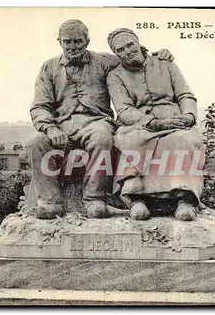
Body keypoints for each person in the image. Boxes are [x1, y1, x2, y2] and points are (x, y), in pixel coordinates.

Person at [26, 20, 174, 220]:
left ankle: (94, 199)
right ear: (59, 41)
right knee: (36, 142)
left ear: (87, 41)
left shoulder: (104, 61)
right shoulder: (49, 68)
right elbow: (40, 106)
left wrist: (157, 54)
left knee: (102, 138)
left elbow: (130, 56)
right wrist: (50, 128)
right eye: (67, 42)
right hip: (61, 123)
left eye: (78, 41)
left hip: (96, 120)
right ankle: (50, 201)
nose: (72, 47)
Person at [106, 28, 205, 221]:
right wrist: (153, 123)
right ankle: (137, 199)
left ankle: (185, 200)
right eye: (120, 50)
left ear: (138, 42)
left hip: (174, 118)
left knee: (183, 140)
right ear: (116, 54)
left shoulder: (165, 63)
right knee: (134, 142)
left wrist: (189, 115)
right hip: (139, 123)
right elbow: (124, 109)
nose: (127, 51)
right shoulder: (115, 76)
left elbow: (185, 94)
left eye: (130, 45)